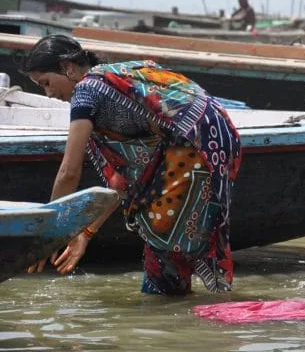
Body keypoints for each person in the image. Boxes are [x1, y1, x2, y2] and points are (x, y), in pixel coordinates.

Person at [22, 35, 242, 296]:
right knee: (167, 250)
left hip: (196, 147)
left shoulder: (85, 93)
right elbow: (125, 183)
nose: (49, 93)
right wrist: (86, 232)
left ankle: (169, 315)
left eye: (46, 83)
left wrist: (49, 237)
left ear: (67, 68)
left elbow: (68, 172)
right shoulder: (111, 78)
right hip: (216, 138)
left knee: (163, 244)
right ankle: (180, 314)